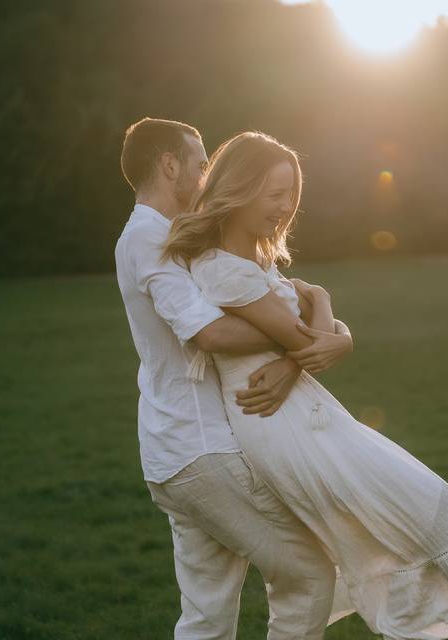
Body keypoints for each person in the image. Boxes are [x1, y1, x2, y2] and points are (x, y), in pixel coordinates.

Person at [162, 130, 448, 640]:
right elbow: (309, 343)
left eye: (290, 196)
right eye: (274, 194)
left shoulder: (253, 266)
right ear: (238, 188)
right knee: (419, 513)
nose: (284, 208)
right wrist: (324, 305)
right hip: (279, 425)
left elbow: (308, 350)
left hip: (303, 412)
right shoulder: (222, 269)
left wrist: (319, 348)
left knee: (426, 514)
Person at [114, 117, 358, 640]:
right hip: (200, 450)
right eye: (201, 164)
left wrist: (307, 340)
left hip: (178, 450)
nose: (206, 176)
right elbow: (215, 335)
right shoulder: (148, 240)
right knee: (311, 574)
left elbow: (280, 302)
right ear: (169, 165)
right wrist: (303, 340)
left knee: (206, 618)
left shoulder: (180, 237)